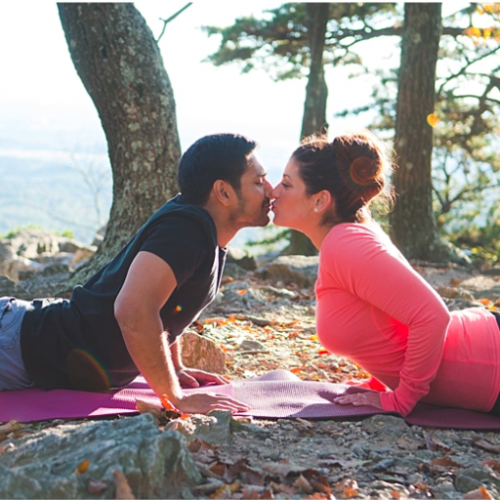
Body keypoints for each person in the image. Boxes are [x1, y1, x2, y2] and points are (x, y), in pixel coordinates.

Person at [0, 133, 273, 414]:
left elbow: (169, 305)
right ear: (224, 192)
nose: (271, 190)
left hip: (23, 345)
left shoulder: (200, 232)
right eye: (258, 181)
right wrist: (175, 398)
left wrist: (174, 368)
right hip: (15, 343)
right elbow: (133, 309)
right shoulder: (187, 231)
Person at [271, 130, 500, 417]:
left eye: (287, 184)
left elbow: (431, 316)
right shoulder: (346, 239)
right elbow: (384, 318)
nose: (274, 191)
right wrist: (380, 383)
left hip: (489, 364)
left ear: (320, 201)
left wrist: (401, 399)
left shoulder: (345, 244)